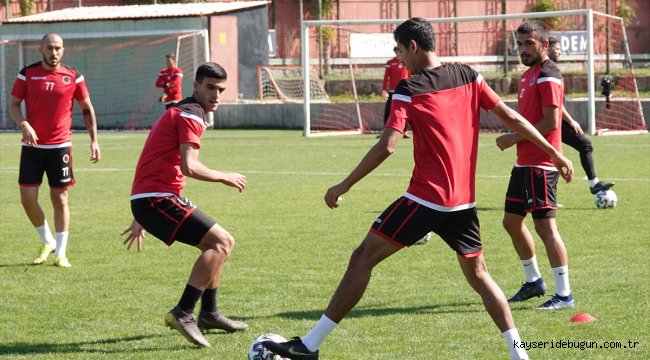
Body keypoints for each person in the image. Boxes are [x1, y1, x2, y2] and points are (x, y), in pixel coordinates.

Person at [262, 18, 573, 360]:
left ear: (412, 46)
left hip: (425, 199)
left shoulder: (408, 89)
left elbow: (387, 146)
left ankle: (309, 346)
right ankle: (519, 354)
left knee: (362, 258)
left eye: (398, 50)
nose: (398, 59)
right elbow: (512, 118)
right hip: (462, 204)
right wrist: (555, 152)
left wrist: (344, 184)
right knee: (480, 275)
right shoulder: (469, 75)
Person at [121, 62, 248, 347]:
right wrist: (224, 176)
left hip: (152, 198)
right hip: (156, 198)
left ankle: (210, 313)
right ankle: (184, 312)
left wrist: (141, 215)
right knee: (222, 243)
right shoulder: (191, 115)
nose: (216, 95)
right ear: (196, 86)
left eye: (221, 90)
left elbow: (158, 158)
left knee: (215, 246)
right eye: (210, 88)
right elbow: (189, 166)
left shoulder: (182, 110)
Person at [496, 21, 575, 310]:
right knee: (511, 222)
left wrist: (513, 138)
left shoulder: (548, 74)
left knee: (546, 229)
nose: (523, 49)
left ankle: (564, 294)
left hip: (541, 164)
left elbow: (551, 122)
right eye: (519, 44)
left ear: (544, 44)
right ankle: (534, 282)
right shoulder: (528, 75)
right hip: (524, 163)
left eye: (529, 43)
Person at [8, 33, 101, 268]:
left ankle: (61, 252)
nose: (54, 52)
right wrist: (24, 124)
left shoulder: (73, 77)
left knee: (59, 199)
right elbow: (13, 104)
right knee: (28, 199)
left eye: (58, 48)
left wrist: (94, 141)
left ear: (63, 50)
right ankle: (47, 241)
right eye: (49, 48)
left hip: (60, 147)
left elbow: (87, 109)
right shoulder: (27, 74)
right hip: (32, 146)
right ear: (41, 49)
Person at [547, 36, 614, 194]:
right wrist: (571, 121)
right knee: (580, 147)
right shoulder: (548, 71)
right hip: (551, 122)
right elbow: (554, 103)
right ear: (547, 48)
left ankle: (593, 184)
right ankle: (593, 184)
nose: (560, 51)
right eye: (556, 48)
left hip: (553, 121)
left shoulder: (548, 69)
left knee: (553, 155)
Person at [381, 46, 411, 138]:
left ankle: (404, 131)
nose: (398, 54)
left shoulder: (407, 62)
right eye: (397, 52)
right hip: (393, 91)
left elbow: (410, 75)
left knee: (405, 112)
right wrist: (383, 89)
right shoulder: (390, 63)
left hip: (404, 91)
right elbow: (386, 78)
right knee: (388, 111)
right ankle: (385, 131)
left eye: (399, 51)